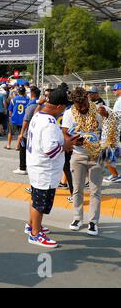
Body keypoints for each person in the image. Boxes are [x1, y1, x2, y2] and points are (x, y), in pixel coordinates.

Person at [26, 88, 77, 248]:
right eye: (64, 107)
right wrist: (66, 145)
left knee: (35, 198)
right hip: (44, 170)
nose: (64, 110)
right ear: (59, 106)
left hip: (36, 165)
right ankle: (35, 234)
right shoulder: (49, 123)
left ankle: (32, 225)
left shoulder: (38, 114)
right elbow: (51, 150)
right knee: (40, 204)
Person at [62, 87, 109, 236]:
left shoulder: (99, 110)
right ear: (74, 103)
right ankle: (77, 218)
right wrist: (73, 141)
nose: (82, 109)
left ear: (88, 100)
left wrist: (107, 115)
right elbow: (65, 132)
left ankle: (93, 222)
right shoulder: (69, 113)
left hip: (97, 154)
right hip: (78, 155)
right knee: (77, 189)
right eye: (79, 106)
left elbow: (109, 129)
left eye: (84, 106)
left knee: (95, 190)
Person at [13, 86, 41, 176]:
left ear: (32, 94)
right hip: (37, 131)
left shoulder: (31, 105)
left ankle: (22, 167)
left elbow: (26, 120)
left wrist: (21, 133)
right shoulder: (41, 104)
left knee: (23, 149)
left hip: (28, 131)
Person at [102, 84, 121, 183]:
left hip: (113, 131)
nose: (113, 91)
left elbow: (116, 117)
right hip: (115, 130)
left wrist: (106, 113)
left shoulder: (120, 101)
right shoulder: (119, 100)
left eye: (115, 89)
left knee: (106, 153)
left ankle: (115, 175)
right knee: (117, 152)